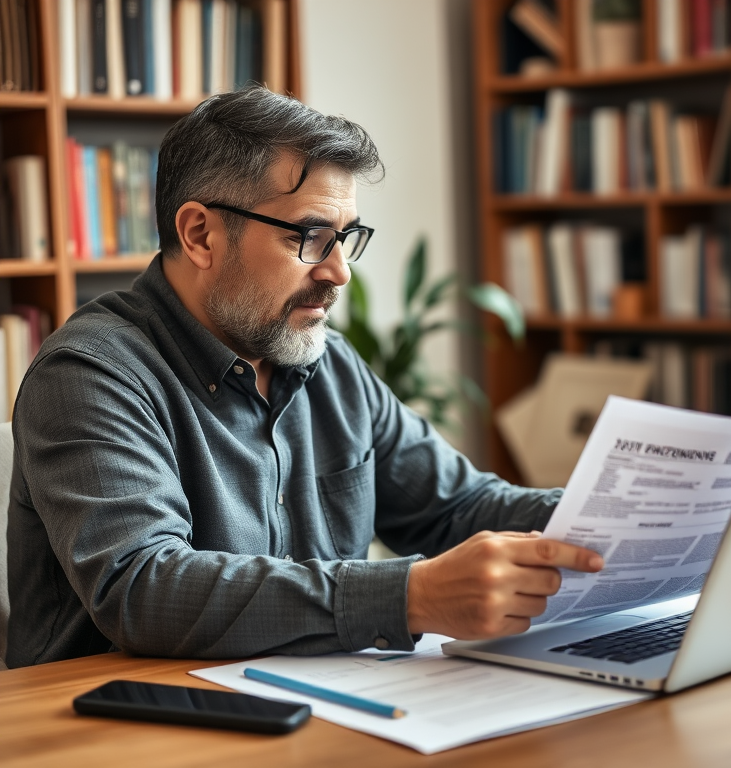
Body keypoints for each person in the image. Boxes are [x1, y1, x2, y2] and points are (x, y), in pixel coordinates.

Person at [4, 86, 602, 668]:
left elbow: (459, 508)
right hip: (119, 726)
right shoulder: (90, 372)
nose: (340, 273)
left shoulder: (329, 362)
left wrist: (615, 520)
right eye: (311, 237)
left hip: (315, 704)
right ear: (200, 234)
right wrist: (411, 596)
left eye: (345, 239)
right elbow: (143, 586)